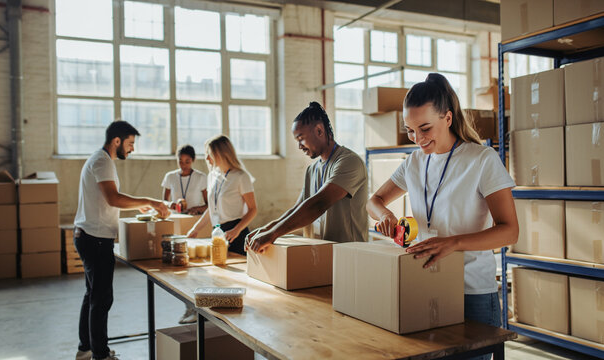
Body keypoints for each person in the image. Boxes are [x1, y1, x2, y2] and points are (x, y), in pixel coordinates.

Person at [366, 73, 518, 360]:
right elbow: (373, 201)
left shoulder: (481, 159)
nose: (418, 139)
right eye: (410, 130)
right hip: (427, 282)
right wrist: (385, 215)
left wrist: (454, 243)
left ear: (447, 118)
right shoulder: (414, 161)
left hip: (472, 290)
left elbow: (510, 231)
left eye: (425, 128)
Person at [73, 121, 169, 360]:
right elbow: (113, 198)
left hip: (90, 236)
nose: (132, 149)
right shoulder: (102, 161)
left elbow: (109, 200)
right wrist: (152, 201)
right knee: (101, 298)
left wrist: (142, 204)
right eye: (130, 144)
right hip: (95, 239)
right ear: (117, 141)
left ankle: (86, 349)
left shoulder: (102, 160)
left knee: (92, 294)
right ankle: (100, 355)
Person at [247, 101, 368, 253]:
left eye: (301, 139)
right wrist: (266, 229)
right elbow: (298, 208)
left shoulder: (348, 162)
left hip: (349, 254)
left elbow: (318, 204)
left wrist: (273, 234)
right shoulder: (312, 169)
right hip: (320, 253)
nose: (299, 146)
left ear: (319, 130)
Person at [186, 135, 257, 255]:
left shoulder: (241, 176)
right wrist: (195, 229)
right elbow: (212, 208)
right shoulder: (212, 176)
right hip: (217, 232)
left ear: (221, 153)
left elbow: (253, 209)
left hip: (236, 234)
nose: (207, 158)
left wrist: (236, 230)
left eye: (210, 154)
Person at [161, 145, 208, 215]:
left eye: (187, 162)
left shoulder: (201, 177)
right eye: (180, 161)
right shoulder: (170, 176)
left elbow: (209, 205)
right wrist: (170, 204)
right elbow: (164, 201)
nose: (183, 165)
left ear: (193, 159)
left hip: (193, 217)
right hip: (175, 217)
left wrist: (197, 209)